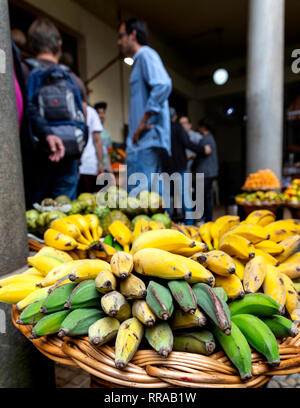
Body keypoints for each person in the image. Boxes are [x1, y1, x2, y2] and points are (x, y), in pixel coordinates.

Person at [22, 18, 88, 203]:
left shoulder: (23, 71)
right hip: (69, 157)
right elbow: (85, 119)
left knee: (35, 217)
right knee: (67, 214)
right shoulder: (74, 79)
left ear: (31, 44)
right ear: (59, 44)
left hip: (37, 158)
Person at [117, 18, 172, 193]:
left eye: (121, 36)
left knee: (141, 200)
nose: (119, 41)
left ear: (133, 34)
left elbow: (163, 85)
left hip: (145, 142)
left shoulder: (146, 55)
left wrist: (142, 123)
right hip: (143, 143)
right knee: (153, 200)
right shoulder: (140, 61)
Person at [163, 108, 212, 225]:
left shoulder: (162, 129)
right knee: (185, 196)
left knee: (166, 197)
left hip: (166, 168)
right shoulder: (178, 128)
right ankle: (189, 223)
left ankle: (167, 221)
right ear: (175, 117)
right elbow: (188, 144)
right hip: (180, 167)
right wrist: (203, 149)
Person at [195, 119, 219, 222]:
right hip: (210, 171)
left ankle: (206, 218)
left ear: (203, 127)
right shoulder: (210, 138)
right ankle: (207, 218)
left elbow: (203, 152)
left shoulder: (206, 139)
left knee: (204, 196)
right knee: (206, 196)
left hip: (206, 172)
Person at [78, 105, 104, 194]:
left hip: (74, 166)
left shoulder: (68, 107)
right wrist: (100, 164)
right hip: (88, 165)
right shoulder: (91, 111)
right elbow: (97, 140)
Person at [94, 102, 112, 173]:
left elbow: (108, 153)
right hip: (96, 169)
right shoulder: (92, 133)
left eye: (103, 113)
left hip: (106, 169)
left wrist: (110, 168)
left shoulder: (107, 134)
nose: (101, 115)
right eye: (99, 113)